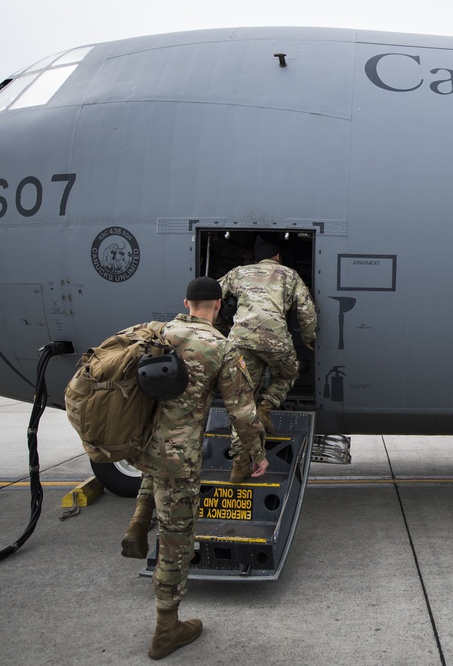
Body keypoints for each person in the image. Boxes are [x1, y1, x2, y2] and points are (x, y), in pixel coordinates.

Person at [131, 276, 267, 660]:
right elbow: (242, 411)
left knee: (153, 476)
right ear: (219, 306)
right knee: (176, 542)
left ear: (185, 302)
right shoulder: (221, 348)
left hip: (141, 448)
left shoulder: (156, 332)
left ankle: (138, 518)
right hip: (179, 458)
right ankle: (166, 629)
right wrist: (256, 454)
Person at [218, 241, 318, 432]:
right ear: (277, 257)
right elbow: (306, 310)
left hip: (241, 339)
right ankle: (265, 407)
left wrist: (221, 326)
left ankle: (243, 447)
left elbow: (211, 293)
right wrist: (308, 337)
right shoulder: (289, 274)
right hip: (275, 339)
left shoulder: (238, 272)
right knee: (288, 374)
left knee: (246, 387)